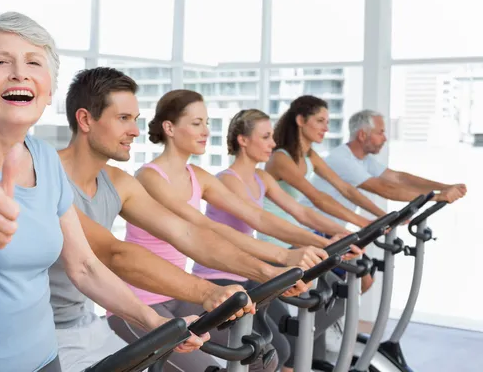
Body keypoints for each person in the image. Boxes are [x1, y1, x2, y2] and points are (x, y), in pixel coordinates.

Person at [0, 12, 204, 372]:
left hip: (39, 360)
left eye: (33, 62)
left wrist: (155, 323)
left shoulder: (46, 161)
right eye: (1, 61)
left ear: (48, 90)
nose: (19, 72)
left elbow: (84, 267)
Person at [52, 67, 315, 372]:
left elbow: (187, 234)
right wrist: (206, 291)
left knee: (264, 355)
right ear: (85, 120)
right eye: (123, 118)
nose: (136, 131)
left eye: (135, 120)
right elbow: (114, 253)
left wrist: (271, 268)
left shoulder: (118, 182)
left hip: (85, 321)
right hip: (47, 329)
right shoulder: (49, 175)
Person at [106, 89, 359, 370]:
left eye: (206, 123)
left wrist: (318, 242)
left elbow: (257, 217)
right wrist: (282, 258)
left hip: (179, 291)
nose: (206, 131)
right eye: (196, 123)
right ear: (169, 128)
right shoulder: (149, 176)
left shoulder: (198, 176)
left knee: (264, 357)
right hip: (138, 300)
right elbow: (202, 227)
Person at [204, 108, 363, 371]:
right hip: (222, 273)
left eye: (273, 136)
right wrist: (319, 242)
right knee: (277, 349)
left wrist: (342, 233)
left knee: (290, 341)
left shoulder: (262, 177)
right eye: (265, 137)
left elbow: (300, 211)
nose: (273, 144)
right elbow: (260, 220)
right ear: (243, 140)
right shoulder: (227, 181)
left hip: (247, 270)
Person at [261, 95, 384, 294]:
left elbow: (344, 188)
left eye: (327, 122)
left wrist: (377, 218)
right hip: (278, 239)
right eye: (320, 121)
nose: (326, 128)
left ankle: (326, 324)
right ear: (301, 121)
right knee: (338, 284)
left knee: (361, 278)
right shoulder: (280, 158)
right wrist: (363, 223)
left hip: (296, 234)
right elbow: (316, 197)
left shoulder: (310, 156)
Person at [300, 109, 467, 226]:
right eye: (380, 133)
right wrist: (438, 197)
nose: (385, 138)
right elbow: (385, 189)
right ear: (363, 135)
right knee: (362, 274)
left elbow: (400, 178)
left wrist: (445, 187)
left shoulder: (365, 160)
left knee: (365, 275)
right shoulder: (342, 159)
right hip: (310, 228)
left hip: (328, 229)